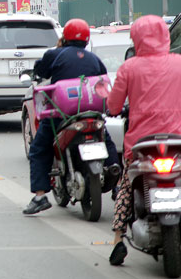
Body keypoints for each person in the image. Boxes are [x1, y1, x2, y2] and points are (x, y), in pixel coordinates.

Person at [107, 15, 181, 265]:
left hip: (142, 146)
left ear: (137, 39)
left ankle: (118, 238)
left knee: (127, 186)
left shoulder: (129, 68)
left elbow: (114, 105)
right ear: (165, 36)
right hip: (180, 143)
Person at [23, 19, 120, 215]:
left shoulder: (54, 54)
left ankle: (40, 196)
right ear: (86, 39)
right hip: (90, 112)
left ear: (65, 36)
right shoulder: (94, 59)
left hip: (62, 113)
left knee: (39, 148)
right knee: (106, 139)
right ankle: (118, 183)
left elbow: (41, 71)